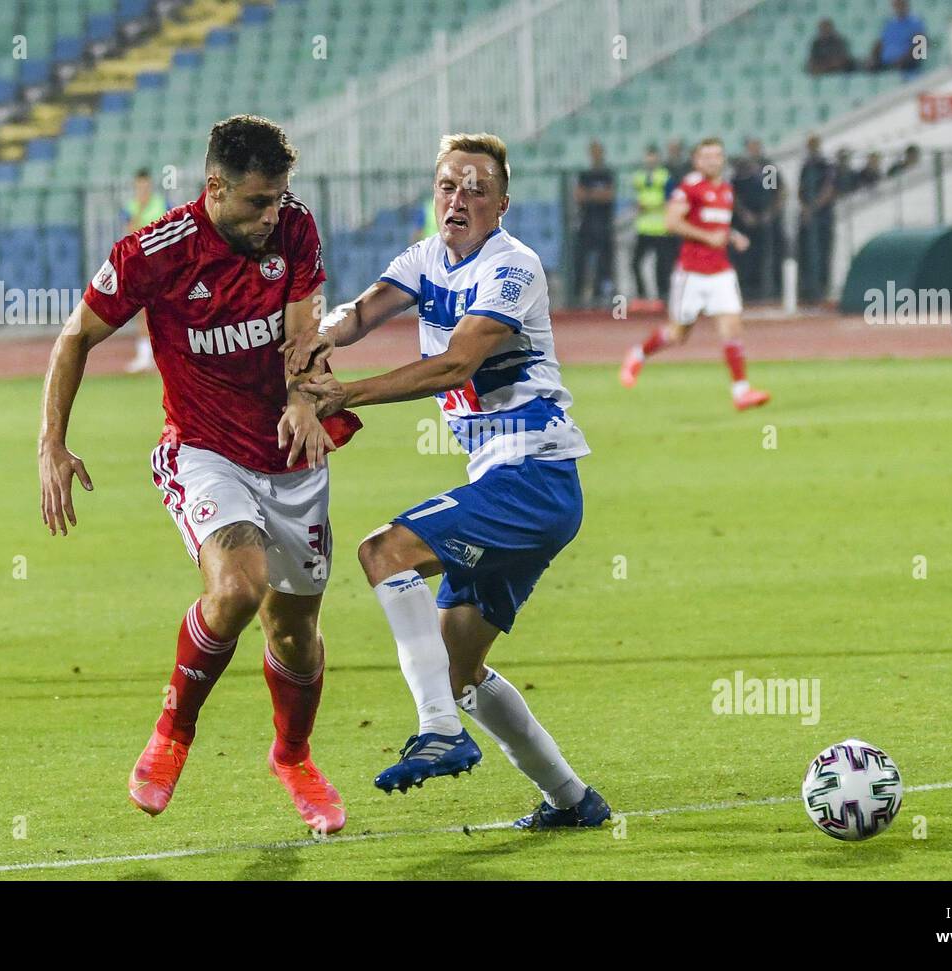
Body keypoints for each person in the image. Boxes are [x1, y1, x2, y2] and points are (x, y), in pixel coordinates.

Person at [37, 115, 361, 834]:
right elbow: (75, 335)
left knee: (295, 632)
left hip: (290, 452)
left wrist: (308, 399)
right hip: (205, 450)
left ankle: (293, 756)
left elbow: (306, 330)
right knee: (237, 587)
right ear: (214, 188)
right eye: (256, 202)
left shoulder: (296, 228)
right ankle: (173, 732)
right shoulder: (156, 251)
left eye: (279, 198)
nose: (271, 214)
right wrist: (51, 444)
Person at [283, 133, 611, 830]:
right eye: (448, 186)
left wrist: (345, 396)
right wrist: (319, 337)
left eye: (476, 190)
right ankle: (574, 801)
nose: (458, 199)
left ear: (501, 205)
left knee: (383, 551)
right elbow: (364, 311)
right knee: (458, 666)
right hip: (510, 481)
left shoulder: (512, 267)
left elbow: (454, 366)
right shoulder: (424, 257)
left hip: (535, 475)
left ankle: (440, 728)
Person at [620, 138, 771, 411]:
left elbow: (716, 225)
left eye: (717, 155)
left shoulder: (725, 189)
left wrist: (733, 236)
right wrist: (708, 237)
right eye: (707, 156)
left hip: (721, 271)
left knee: (732, 327)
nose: (713, 160)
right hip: (692, 272)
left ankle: (741, 392)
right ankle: (638, 353)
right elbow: (671, 222)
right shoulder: (689, 188)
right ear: (697, 161)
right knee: (678, 334)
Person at [122, 169, 167, 374]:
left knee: (166, 310)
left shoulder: (162, 203)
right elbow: (129, 234)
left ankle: (167, 354)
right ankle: (144, 356)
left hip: (162, 264)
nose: (143, 189)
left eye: (146, 185)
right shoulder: (131, 207)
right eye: (140, 185)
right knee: (142, 310)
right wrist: (139, 209)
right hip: (142, 265)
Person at [732, 137, 786, 300]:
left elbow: (774, 192)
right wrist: (744, 213)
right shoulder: (741, 170)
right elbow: (734, 194)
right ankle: (748, 288)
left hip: (765, 219)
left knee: (769, 253)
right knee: (746, 255)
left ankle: (773, 289)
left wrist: (768, 213)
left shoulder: (767, 169)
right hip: (745, 220)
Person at [571, 140, 616, 308]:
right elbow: (579, 195)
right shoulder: (585, 174)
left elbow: (608, 196)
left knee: (603, 263)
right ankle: (576, 299)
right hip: (586, 223)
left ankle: (599, 297)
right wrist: (596, 194)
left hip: (604, 224)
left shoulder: (607, 173)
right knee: (580, 261)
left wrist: (591, 194)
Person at [630, 144, 673, 310]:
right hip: (643, 227)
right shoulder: (639, 177)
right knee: (635, 263)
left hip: (661, 227)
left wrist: (649, 206)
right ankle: (642, 296)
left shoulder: (665, 176)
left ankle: (661, 297)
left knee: (661, 265)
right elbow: (637, 200)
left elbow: (670, 201)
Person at [797, 135, 836, 302]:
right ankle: (807, 289)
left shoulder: (825, 165)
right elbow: (801, 188)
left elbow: (829, 189)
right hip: (808, 216)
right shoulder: (806, 165)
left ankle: (822, 288)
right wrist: (805, 208)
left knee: (822, 252)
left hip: (822, 217)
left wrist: (812, 209)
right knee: (805, 252)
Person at [870, 0, 927, 75]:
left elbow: (920, 47)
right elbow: (880, 43)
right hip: (885, 67)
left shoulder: (916, 23)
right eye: (896, 4)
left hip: (907, 68)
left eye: (901, 3)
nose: (898, 6)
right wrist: (873, 58)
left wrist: (904, 60)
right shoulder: (889, 24)